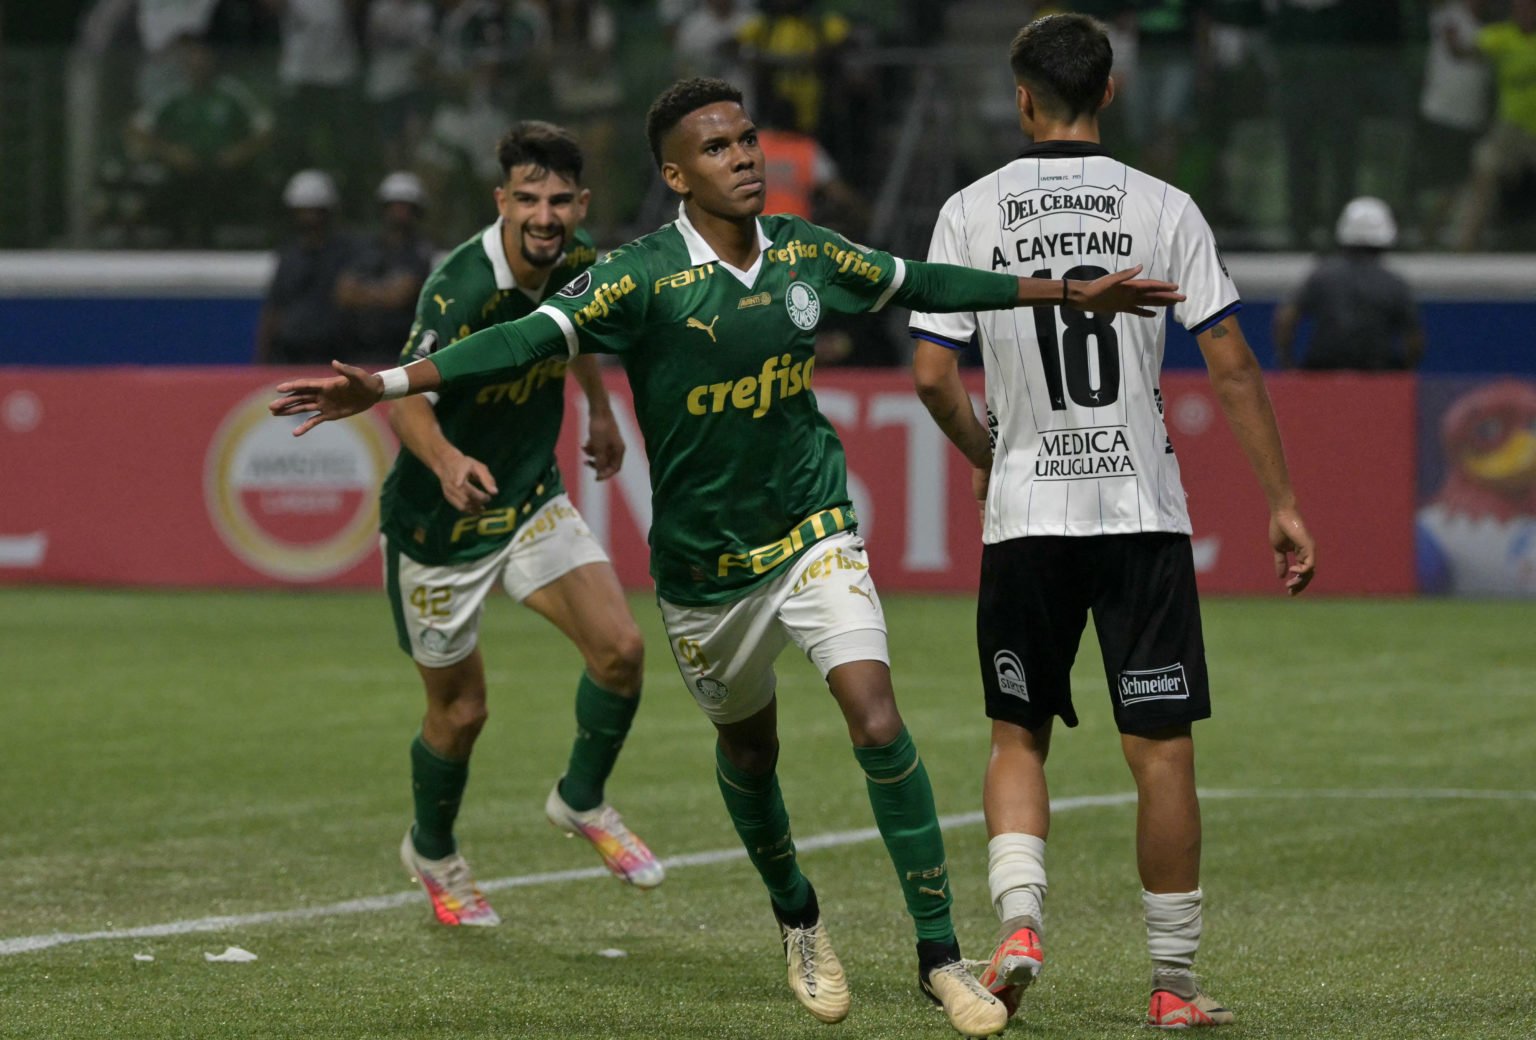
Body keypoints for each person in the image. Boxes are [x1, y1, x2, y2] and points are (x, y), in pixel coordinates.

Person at [270, 76, 1181, 1037]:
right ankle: (798, 919)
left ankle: (940, 957)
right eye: (718, 148)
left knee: (874, 714)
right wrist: (383, 384)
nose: (744, 157)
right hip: (705, 570)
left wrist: (1072, 292)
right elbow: (519, 341)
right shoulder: (637, 277)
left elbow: (927, 282)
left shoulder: (804, 252)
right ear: (675, 173)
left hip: (813, 526)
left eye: (747, 140)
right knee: (750, 751)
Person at [907, 14, 1316, 1030]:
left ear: (1021, 97)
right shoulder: (1163, 206)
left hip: (1028, 515)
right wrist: (1282, 500)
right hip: (1141, 512)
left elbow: (928, 372)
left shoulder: (970, 209)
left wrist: (984, 453)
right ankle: (1173, 983)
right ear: (1112, 91)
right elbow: (1229, 362)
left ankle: (1019, 926)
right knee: (1161, 750)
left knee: (1018, 732)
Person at [380, 122, 662, 926]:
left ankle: (581, 799)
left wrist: (601, 410)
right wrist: (445, 463)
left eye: (560, 200)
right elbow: (404, 401)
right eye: (529, 199)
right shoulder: (459, 289)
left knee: (622, 652)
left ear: (582, 204)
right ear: (502, 201)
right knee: (461, 714)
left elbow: (573, 329)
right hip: (440, 525)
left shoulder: (579, 259)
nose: (546, 215)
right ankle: (432, 851)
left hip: (530, 495)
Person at [1274, 197, 1425, 371]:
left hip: (1321, 379)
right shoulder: (1394, 284)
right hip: (1379, 382)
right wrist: (1404, 371)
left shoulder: (1321, 277)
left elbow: (1286, 318)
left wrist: (1287, 361)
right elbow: (1414, 338)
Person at [1455, 0, 1536, 250]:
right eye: (1520, 8)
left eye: (1531, 8)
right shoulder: (1502, 36)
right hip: (1510, 130)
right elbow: (1468, 51)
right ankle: (1464, 247)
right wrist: (1453, 42)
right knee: (1483, 169)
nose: (1525, 13)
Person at [255, 169, 356, 365]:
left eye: (315, 211)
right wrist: (262, 359)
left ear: (328, 212)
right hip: (289, 354)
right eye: (303, 211)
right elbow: (273, 309)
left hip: (333, 354)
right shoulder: (288, 256)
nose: (309, 218)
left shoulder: (347, 253)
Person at [336, 171, 437, 365]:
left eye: (405, 206)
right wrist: (384, 291)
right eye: (393, 205)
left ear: (416, 210)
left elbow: (400, 296)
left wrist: (363, 292)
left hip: (400, 352)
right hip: (359, 350)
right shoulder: (364, 247)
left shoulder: (420, 251)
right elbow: (343, 293)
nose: (398, 212)